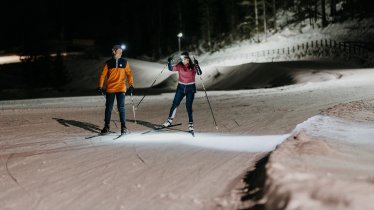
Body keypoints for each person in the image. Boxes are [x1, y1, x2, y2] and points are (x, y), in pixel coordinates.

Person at [97, 45, 134, 135]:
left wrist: (131, 84)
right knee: (109, 108)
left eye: (121, 51)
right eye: (119, 51)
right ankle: (106, 126)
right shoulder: (108, 63)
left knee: (121, 107)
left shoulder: (125, 62)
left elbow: (129, 74)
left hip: (121, 88)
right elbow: (103, 75)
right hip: (111, 88)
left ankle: (123, 127)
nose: (121, 53)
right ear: (113, 51)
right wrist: (100, 86)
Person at [162, 51, 202, 132]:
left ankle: (190, 124)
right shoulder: (179, 65)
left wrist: (197, 65)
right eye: (181, 59)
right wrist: (169, 62)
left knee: (188, 106)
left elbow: (199, 73)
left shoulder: (192, 66)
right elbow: (171, 68)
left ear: (187, 59)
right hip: (180, 88)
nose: (182, 60)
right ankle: (169, 121)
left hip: (190, 89)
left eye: (184, 59)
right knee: (175, 104)